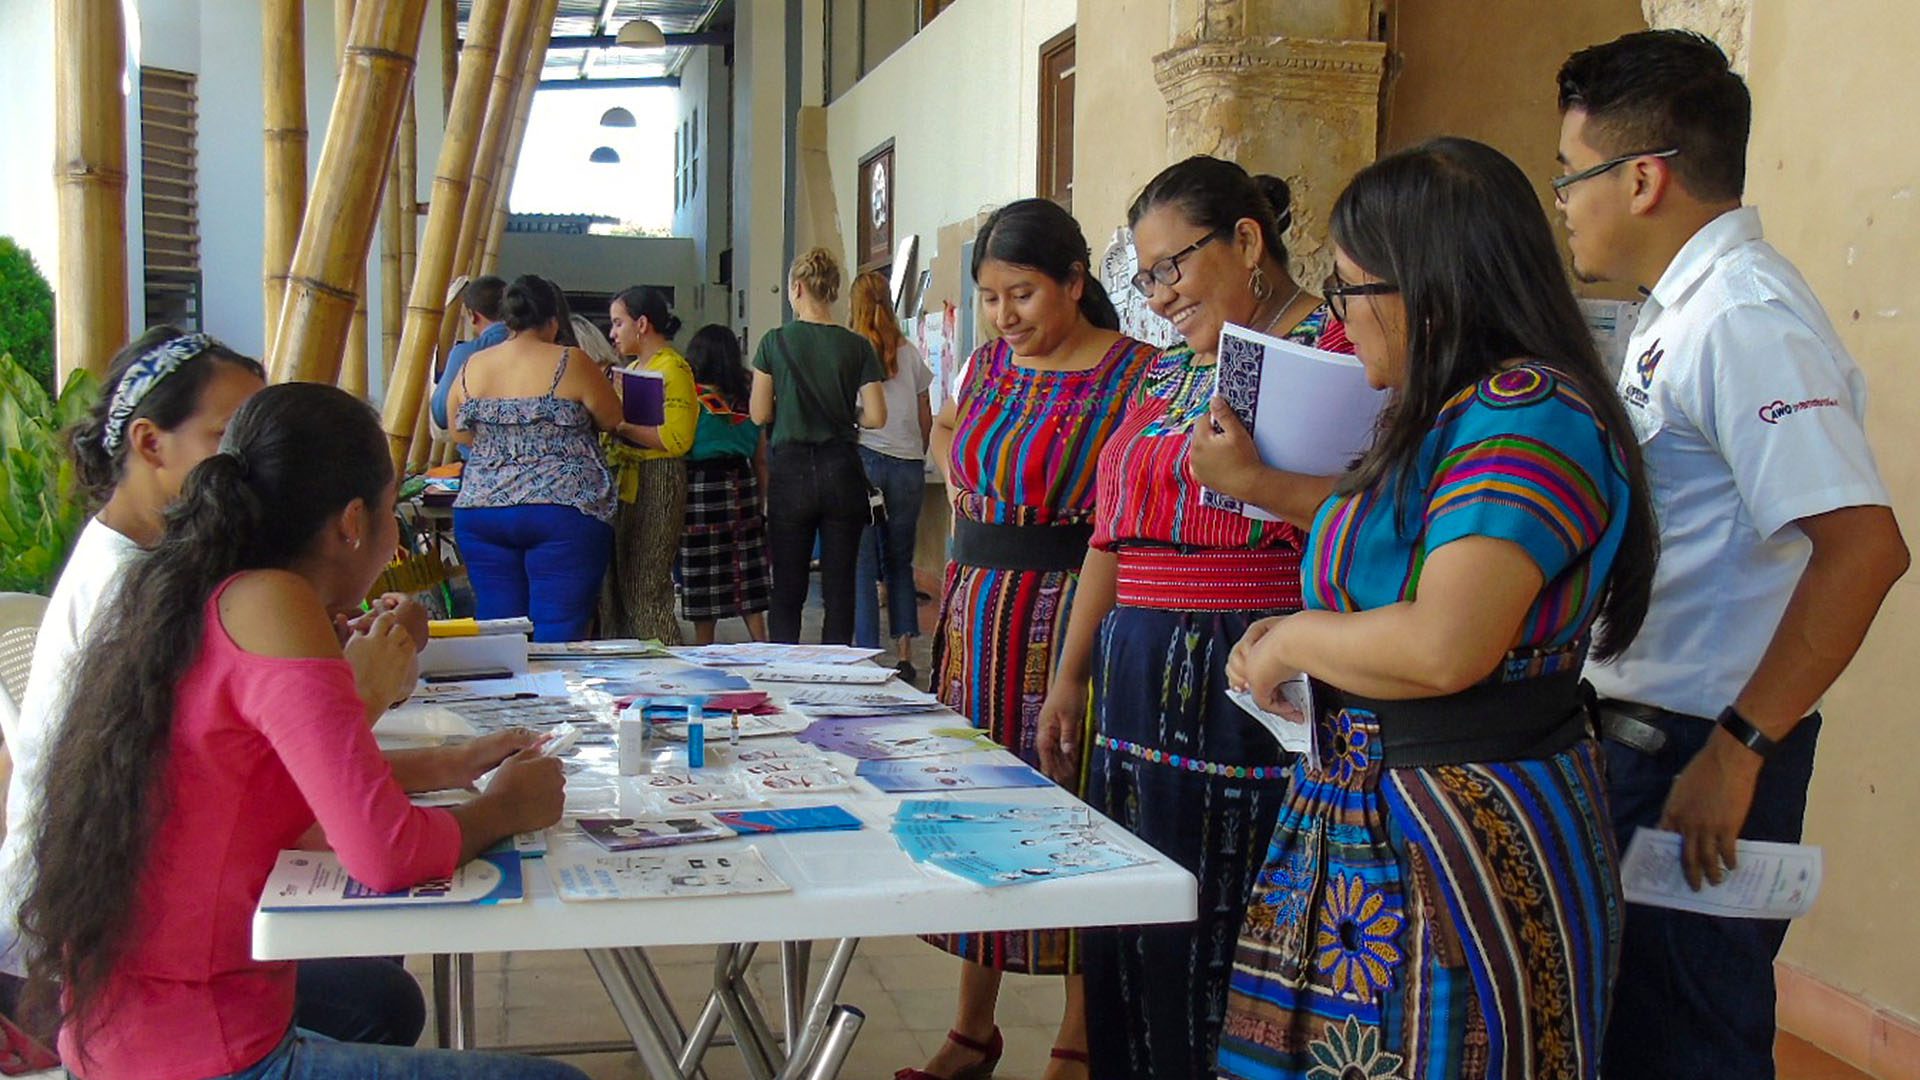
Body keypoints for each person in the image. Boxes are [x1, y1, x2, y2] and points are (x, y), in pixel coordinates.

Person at [1210, 135, 1656, 1080]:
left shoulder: (1527, 413)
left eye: (1348, 291)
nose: (1338, 318)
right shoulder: (1441, 415)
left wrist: (1295, 637)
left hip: (1457, 836)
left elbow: (1447, 644)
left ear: (1431, 289)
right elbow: (1386, 598)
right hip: (1366, 817)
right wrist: (1308, 645)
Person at [18, 382, 580, 1079]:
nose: (396, 538)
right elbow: (387, 854)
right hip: (198, 1052)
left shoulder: (198, 584)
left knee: (383, 1002)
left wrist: (451, 762)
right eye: (388, 514)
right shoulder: (276, 604)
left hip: (124, 1028)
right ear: (351, 523)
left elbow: (274, 778)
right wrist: (506, 809)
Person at [1553, 32, 1907, 1079]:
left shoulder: (1744, 319)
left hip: (1697, 754)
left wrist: (1738, 749)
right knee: (1635, 1031)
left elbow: (1865, 550)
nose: (1564, 200)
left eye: (1572, 174)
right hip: (1646, 741)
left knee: (1687, 1037)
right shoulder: (1684, 315)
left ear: (1644, 177)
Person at [1031, 157, 1350, 1080]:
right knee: (1133, 916)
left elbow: (1374, 518)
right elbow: (1110, 535)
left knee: (1226, 916)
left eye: (1174, 266)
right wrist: (1071, 673)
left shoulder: (1331, 357)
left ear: (1247, 241)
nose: (1160, 295)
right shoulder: (1166, 377)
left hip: (1249, 677)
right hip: (1134, 678)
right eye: (1148, 275)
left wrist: (1259, 485)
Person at [907, 199, 1155, 1080]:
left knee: (1071, 817)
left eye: (1022, 294)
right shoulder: (984, 368)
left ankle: (1077, 1045)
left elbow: (1118, 536)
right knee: (984, 816)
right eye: (989, 296)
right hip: (977, 620)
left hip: (1069, 621)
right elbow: (948, 443)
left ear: (1076, 284)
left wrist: (1074, 673)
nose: (1005, 316)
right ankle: (974, 1031)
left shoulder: (1139, 377)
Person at [448, 276, 640, 642]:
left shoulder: (473, 365)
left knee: (497, 632)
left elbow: (458, 431)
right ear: (553, 320)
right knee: (559, 629)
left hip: (482, 507)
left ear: (508, 319)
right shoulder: (571, 361)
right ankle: (556, 698)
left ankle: (501, 698)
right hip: (562, 508)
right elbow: (612, 419)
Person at [750, 247, 888, 645]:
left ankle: (783, 673)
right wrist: (850, 417)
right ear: (832, 290)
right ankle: (835, 676)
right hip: (842, 469)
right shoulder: (857, 346)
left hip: (790, 473)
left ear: (796, 288)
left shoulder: (774, 342)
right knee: (840, 588)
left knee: (788, 588)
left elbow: (759, 413)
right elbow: (877, 416)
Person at [849, 269, 933, 678]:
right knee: (900, 561)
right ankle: (904, 655)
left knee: (863, 562)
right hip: (908, 467)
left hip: (866, 461)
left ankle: (866, 654)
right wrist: (918, 452)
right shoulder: (911, 352)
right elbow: (925, 414)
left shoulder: (852, 351)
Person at [602, 285, 697, 643]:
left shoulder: (673, 369)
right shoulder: (634, 368)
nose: (612, 333)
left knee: (645, 586)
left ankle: (667, 671)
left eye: (618, 323)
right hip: (626, 479)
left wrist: (622, 425)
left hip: (657, 479)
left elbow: (677, 439)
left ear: (642, 324)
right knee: (617, 588)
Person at [677, 324, 773, 644]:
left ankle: (704, 647)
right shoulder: (747, 394)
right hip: (741, 484)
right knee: (746, 571)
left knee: (703, 571)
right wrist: (760, 502)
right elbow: (760, 458)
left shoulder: (689, 395)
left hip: (700, 488)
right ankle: (761, 643)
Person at [430, 275, 509, 457]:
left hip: (480, 461)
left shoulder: (465, 354)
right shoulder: (540, 349)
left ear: (473, 316)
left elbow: (441, 414)